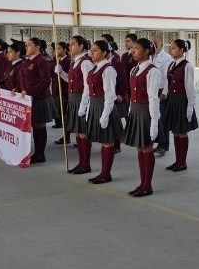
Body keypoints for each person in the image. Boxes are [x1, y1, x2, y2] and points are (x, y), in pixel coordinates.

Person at [80, 40, 123, 184]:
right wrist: (85, 107)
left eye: (96, 50)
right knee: (103, 142)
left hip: (105, 107)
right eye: (91, 50)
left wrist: (105, 115)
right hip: (94, 106)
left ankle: (106, 174)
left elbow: (110, 95)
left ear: (104, 53)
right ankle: (103, 173)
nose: (92, 53)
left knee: (107, 141)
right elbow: (87, 89)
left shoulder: (108, 69)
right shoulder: (94, 68)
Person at [123, 38, 161, 196]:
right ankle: (142, 183)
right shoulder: (134, 69)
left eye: (137, 48)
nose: (133, 51)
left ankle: (147, 185)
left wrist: (154, 122)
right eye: (132, 48)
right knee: (139, 147)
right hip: (135, 111)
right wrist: (130, 110)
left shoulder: (152, 71)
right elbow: (132, 94)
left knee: (146, 147)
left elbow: (153, 98)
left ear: (146, 51)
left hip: (146, 112)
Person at [19, 38, 57, 163]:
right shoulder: (27, 61)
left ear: (37, 47)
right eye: (26, 45)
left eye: (29, 45)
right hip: (28, 98)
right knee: (34, 125)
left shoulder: (42, 61)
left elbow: (45, 82)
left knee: (39, 126)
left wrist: (29, 91)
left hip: (39, 98)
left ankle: (40, 154)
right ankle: (37, 152)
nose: (26, 47)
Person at [164, 39, 198, 172]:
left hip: (182, 101)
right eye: (171, 48)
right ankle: (177, 161)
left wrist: (190, 105)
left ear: (182, 50)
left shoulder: (187, 66)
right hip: (172, 101)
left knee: (182, 132)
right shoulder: (171, 64)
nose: (171, 50)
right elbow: (167, 83)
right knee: (175, 131)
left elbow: (190, 87)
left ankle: (182, 162)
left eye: (173, 48)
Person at [66, 36, 94, 173]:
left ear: (81, 46)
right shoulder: (74, 62)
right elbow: (71, 81)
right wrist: (61, 73)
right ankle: (81, 162)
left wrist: (84, 104)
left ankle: (86, 164)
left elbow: (88, 85)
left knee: (83, 133)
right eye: (69, 44)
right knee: (78, 133)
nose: (70, 47)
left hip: (81, 99)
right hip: (73, 99)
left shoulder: (85, 62)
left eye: (73, 44)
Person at [150, 34, 174, 157]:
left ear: (161, 45)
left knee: (162, 119)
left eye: (156, 43)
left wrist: (165, 92)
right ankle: (154, 142)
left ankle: (163, 146)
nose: (153, 45)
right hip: (152, 92)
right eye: (152, 43)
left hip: (161, 92)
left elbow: (168, 77)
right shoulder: (150, 56)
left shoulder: (166, 58)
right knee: (153, 118)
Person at [51, 41, 71, 137]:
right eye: (55, 49)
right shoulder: (55, 60)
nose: (56, 51)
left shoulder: (68, 60)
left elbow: (68, 77)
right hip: (57, 90)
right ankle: (65, 134)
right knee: (60, 113)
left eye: (58, 48)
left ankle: (66, 136)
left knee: (65, 114)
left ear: (64, 49)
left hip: (65, 90)